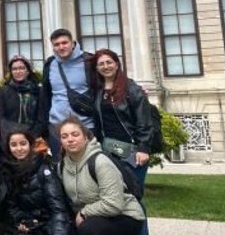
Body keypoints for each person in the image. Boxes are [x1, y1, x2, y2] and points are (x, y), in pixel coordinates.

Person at [89, 48, 154, 235]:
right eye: (101, 64)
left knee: (134, 196)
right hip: (108, 149)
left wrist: (143, 147)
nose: (105, 66)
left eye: (109, 62)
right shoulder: (98, 90)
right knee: (115, 197)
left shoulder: (132, 89)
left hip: (131, 150)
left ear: (117, 64)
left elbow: (144, 121)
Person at [57, 115, 145, 235]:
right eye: (64, 136)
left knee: (90, 229)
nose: (70, 139)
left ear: (86, 138)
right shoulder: (62, 167)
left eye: (75, 134)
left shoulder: (100, 162)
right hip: (90, 217)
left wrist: (84, 212)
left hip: (124, 215)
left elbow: (114, 204)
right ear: (61, 142)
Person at [5, 125, 72, 235]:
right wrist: (21, 221)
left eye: (23, 144)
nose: (19, 149)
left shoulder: (44, 170)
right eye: (13, 145)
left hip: (49, 227)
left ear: (30, 145)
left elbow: (58, 210)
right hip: (26, 228)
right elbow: (11, 208)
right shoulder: (8, 171)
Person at [41, 28, 94, 156]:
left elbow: (108, 79)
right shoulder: (50, 64)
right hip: (56, 127)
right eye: (57, 44)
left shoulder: (89, 61)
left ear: (73, 43)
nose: (61, 47)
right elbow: (46, 94)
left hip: (86, 125)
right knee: (60, 168)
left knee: (89, 168)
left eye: (64, 43)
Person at [0, 55, 45, 139]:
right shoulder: (2, 93)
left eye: (22, 68)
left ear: (28, 71)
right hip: (9, 139)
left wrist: (30, 137)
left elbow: (41, 119)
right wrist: (13, 136)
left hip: (33, 138)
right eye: (14, 69)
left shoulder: (38, 91)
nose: (18, 71)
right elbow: (1, 118)